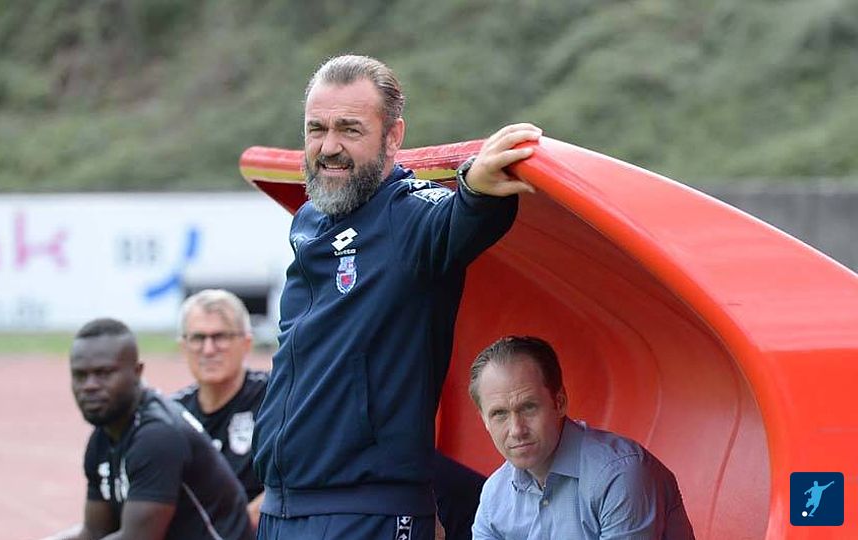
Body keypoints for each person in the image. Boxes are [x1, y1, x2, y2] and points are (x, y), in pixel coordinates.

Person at [252, 53, 542, 540]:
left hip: (366, 514)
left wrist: (476, 190)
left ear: (393, 137)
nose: (329, 146)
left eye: (349, 129)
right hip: (284, 510)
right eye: (316, 129)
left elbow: (458, 222)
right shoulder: (309, 220)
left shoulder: (409, 217)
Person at [46, 317, 254, 540]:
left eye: (104, 373)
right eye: (80, 375)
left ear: (137, 372)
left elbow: (137, 538)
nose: (90, 386)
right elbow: (95, 531)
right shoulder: (103, 438)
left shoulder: (158, 435)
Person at [468, 336, 695, 539]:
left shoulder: (619, 475)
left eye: (528, 407)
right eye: (499, 414)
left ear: (560, 403)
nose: (517, 430)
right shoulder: (494, 495)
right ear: (484, 420)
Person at [171, 289, 267, 530]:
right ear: (183, 346)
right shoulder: (172, 414)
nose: (208, 349)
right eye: (198, 338)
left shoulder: (274, 399)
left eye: (221, 336)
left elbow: (293, 483)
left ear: (246, 343)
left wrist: (233, 531)